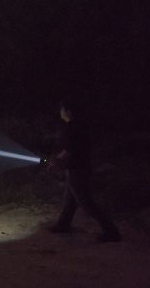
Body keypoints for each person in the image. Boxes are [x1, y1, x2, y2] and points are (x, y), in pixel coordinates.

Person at [47, 99, 121, 242]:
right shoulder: (81, 126)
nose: (60, 112)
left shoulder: (71, 127)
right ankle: (63, 225)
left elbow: (68, 150)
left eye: (62, 109)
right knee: (69, 200)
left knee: (86, 203)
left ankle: (111, 231)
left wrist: (55, 162)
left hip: (76, 169)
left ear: (68, 112)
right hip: (81, 167)